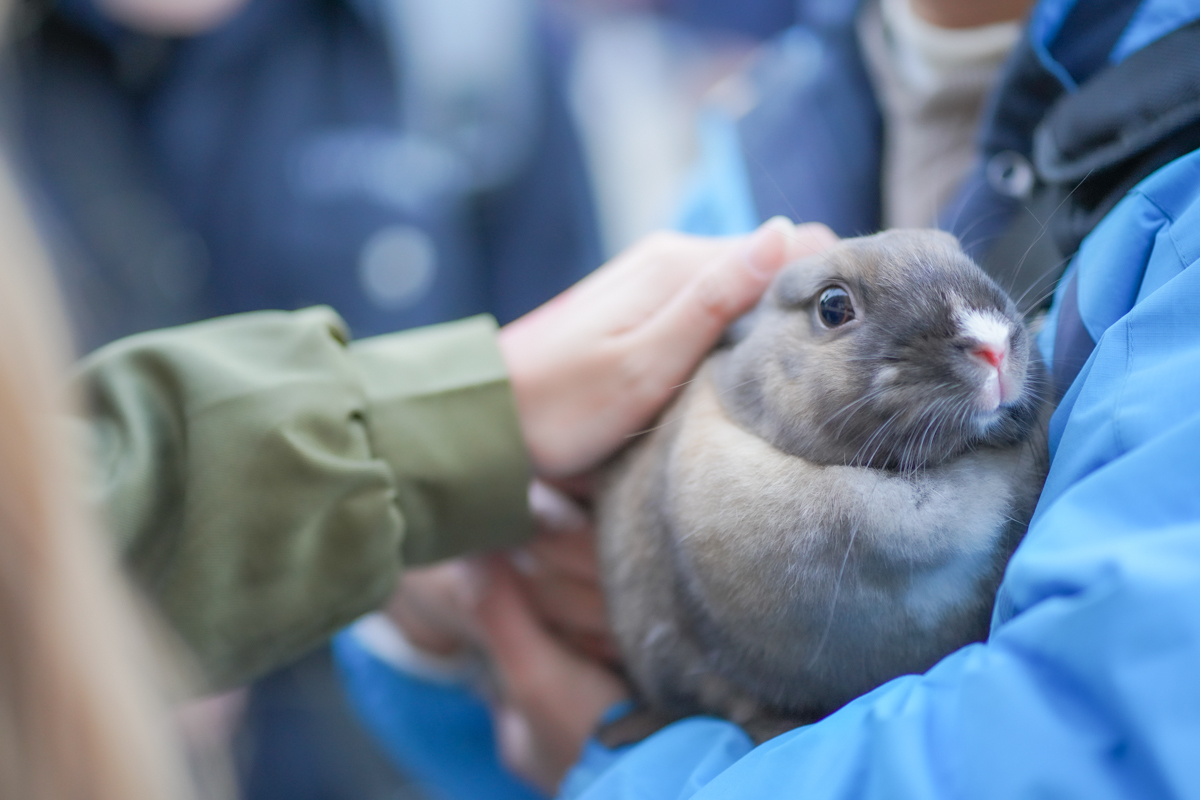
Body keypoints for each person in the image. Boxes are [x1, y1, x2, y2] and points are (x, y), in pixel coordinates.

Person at [430, 0, 1200, 797]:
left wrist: (629, 774)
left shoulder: (1180, 174)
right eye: (837, 312)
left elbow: (1116, 732)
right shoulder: (772, 120)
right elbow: (495, 731)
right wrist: (437, 624)